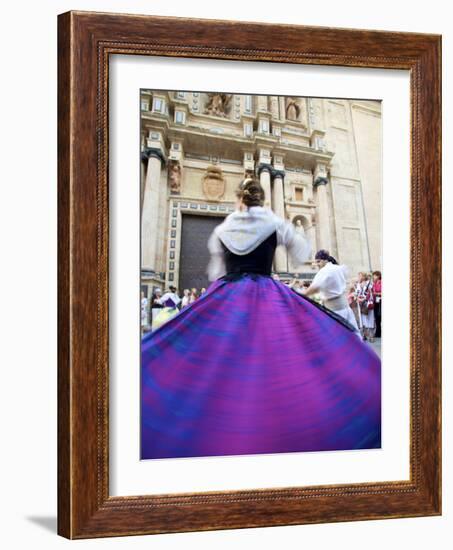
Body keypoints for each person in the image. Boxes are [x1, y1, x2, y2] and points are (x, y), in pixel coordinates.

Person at [141, 177, 381, 460]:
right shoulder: (274, 221)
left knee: (222, 356)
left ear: (240, 200)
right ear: (263, 199)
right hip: (267, 292)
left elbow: (215, 271)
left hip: (227, 295)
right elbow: (302, 251)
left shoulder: (224, 226)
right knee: (283, 351)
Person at [303, 250, 360, 334]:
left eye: (318, 261)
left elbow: (314, 288)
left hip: (336, 311)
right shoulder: (339, 268)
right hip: (345, 309)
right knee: (351, 336)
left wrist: (300, 295)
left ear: (325, 260)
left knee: (337, 338)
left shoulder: (325, 271)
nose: (317, 264)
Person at [355, 272, 375, 342]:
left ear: (363, 276)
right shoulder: (358, 284)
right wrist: (357, 298)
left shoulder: (369, 283)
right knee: (362, 319)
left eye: (359, 276)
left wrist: (364, 299)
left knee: (370, 318)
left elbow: (371, 293)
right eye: (358, 276)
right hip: (360, 303)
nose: (358, 277)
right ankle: (365, 334)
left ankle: (371, 336)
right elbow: (356, 293)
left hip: (367, 303)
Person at [372, 270, 382, 338]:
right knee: (376, 317)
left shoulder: (381, 283)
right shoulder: (374, 283)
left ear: (378, 276)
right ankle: (378, 332)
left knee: (380, 316)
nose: (373, 277)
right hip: (376, 301)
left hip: (381, 301)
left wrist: (376, 293)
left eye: (375, 276)